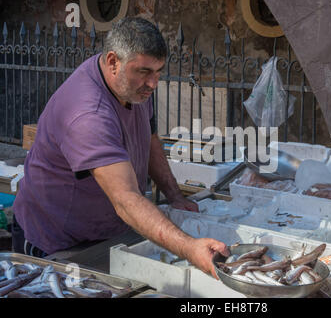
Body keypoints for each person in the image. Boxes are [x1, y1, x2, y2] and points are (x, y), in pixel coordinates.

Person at [12, 17, 229, 279]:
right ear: (113, 62)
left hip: (107, 233)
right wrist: (189, 247)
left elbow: (148, 139)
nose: (153, 84)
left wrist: (175, 196)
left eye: (159, 72)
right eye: (145, 72)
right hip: (58, 244)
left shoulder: (131, 88)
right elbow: (125, 199)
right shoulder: (88, 113)